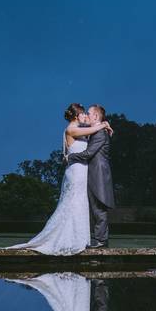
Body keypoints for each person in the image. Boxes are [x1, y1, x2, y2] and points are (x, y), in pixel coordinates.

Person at [6, 103, 112, 255]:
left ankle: (82, 239)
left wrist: (103, 124)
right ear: (77, 116)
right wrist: (103, 124)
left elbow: (91, 142)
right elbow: (91, 138)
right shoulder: (72, 129)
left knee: (81, 205)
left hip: (84, 172)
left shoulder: (86, 132)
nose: (86, 116)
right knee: (73, 202)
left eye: (87, 114)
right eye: (84, 114)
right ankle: (72, 239)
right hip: (76, 172)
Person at [64, 104, 115, 248]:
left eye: (90, 113)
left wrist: (70, 157)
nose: (87, 115)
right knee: (95, 208)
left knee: (99, 208)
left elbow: (88, 154)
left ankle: (101, 241)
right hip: (91, 174)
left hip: (98, 175)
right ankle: (99, 239)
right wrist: (105, 123)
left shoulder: (99, 133)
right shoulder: (94, 131)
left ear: (96, 116)